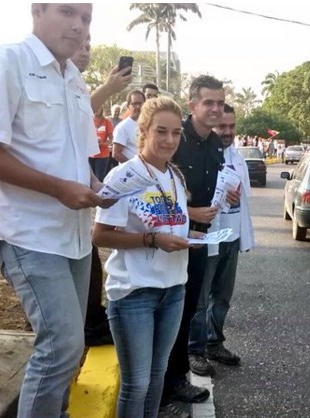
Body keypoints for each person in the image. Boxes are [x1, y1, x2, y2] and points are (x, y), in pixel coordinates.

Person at [0, 4, 110, 417]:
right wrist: (59, 189)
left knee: (69, 350)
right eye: (67, 11)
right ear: (37, 11)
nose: (78, 25)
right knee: (60, 346)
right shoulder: (7, 61)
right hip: (28, 232)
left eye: (86, 18)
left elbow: (80, 159)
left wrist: (101, 187)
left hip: (74, 234)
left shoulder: (73, 79)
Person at [93, 96, 197, 418]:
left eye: (176, 133)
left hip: (174, 289)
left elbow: (172, 225)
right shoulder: (122, 177)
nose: (169, 140)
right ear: (144, 132)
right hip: (134, 292)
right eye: (161, 131)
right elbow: (100, 235)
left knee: (156, 379)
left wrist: (190, 238)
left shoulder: (175, 177)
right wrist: (152, 240)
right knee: (136, 385)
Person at [161, 75, 230, 408]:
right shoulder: (176, 139)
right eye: (209, 103)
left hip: (199, 241)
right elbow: (153, 190)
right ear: (192, 106)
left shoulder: (215, 143)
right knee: (168, 315)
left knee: (187, 311)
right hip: (167, 240)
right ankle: (165, 385)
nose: (216, 109)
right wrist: (190, 212)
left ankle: (176, 380)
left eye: (220, 102)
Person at [70, 36, 133, 348]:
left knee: (91, 276)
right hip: (42, 221)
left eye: (89, 46)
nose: (85, 52)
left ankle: (89, 323)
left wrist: (99, 186)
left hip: (76, 215)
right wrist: (108, 89)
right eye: (80, 45)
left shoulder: (75, 85)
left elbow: (79, 153)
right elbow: (72, 121)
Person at [189, 104, 254, 376]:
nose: (227, 132)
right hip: (210, 236)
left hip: (231, 236)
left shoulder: (238, 157)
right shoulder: (203, 155)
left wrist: (244, 237)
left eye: (231, 127)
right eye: (222, 127)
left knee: (223, 296)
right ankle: (195, 349)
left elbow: (246, 199)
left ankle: (215, 343)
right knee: (201, 297)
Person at [112, 90, 145, 163]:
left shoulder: (149, 124)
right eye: (134, 104)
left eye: (140, 103)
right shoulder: (123, 127)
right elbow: (116, 154)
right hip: (131, 172)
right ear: (128, 106)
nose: (138, 107)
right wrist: (134, 166)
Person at [89, 107, 113, 181]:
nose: (96, 110)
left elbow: (111, 138)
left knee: (99, 178)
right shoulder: (89, 121)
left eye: (98, 108)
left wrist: (104, 144)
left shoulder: (106, 122)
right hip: (90, 154)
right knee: (89, 179)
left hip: (102, 155)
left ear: (101, 109)